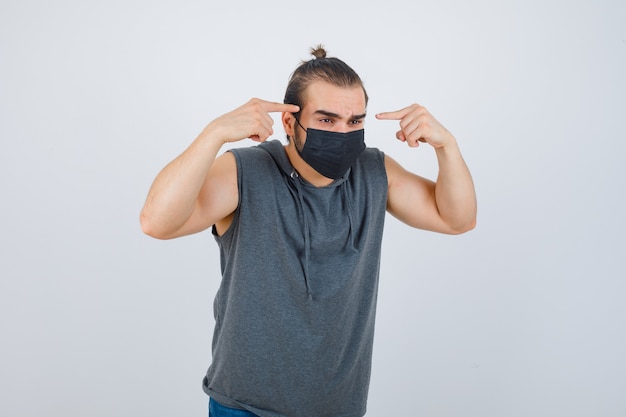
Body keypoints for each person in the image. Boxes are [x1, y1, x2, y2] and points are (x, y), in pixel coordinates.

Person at [140, 45, 477, 417]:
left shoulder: (373, 171)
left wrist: (447, 146)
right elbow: (157, 222)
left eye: (355, 122)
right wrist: (214, 133)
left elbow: (456, 219)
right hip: (245, 406)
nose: (343, 133)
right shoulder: (245, 171)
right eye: (327, 120)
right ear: (289, 123)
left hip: (339, 407)